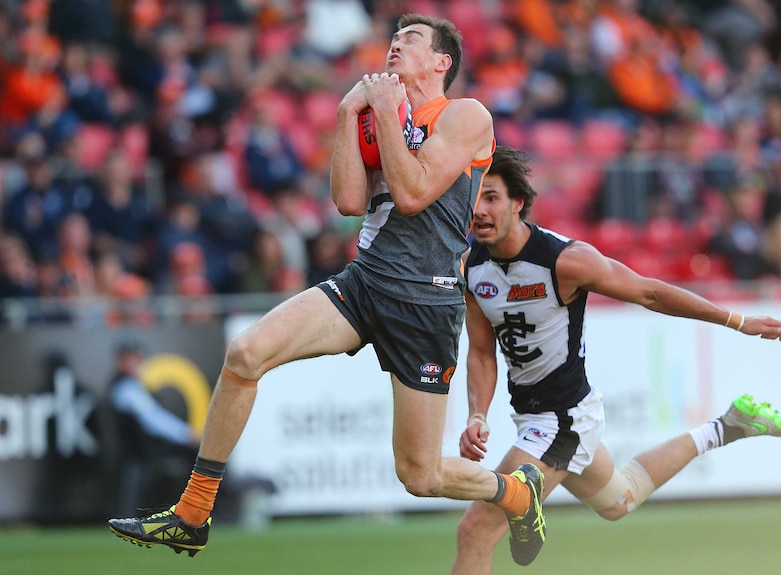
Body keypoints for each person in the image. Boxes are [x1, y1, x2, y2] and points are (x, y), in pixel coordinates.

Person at [107, 14, 547, 566]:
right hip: (365, 281)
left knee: (420, 474)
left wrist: (385, 111)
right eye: (392, 39)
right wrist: (346, 114)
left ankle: (517, 492)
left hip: (425, 300)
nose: (394, 47)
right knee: (245, 353)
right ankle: (193, 514)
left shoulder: (465, 115)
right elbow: (346, 201)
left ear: (442, 63)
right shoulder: (374, 114)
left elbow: (411, 195)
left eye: (410, 40)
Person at [450, 146, 781, 575]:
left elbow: (649, 292)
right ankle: (726, 427)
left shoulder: (564, 260)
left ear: (518, 203)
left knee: (476, 529)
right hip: (536, 418)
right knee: (620, 500)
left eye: (491, 197)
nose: (479, 210)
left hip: (562, 419)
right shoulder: (471, 267)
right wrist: (477, 413)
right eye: (474, 198)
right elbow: (481, 351)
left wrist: (738, 320)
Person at [106, 340, 199, 517]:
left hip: (143, 449)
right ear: (119, 361)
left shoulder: (131, 385)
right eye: (128, 359)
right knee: (196, 455)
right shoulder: (126, 389)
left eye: (135, 358)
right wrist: (183, 434)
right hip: (141, 451)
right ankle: (195, 511)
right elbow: (153, 420)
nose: (133, 363)